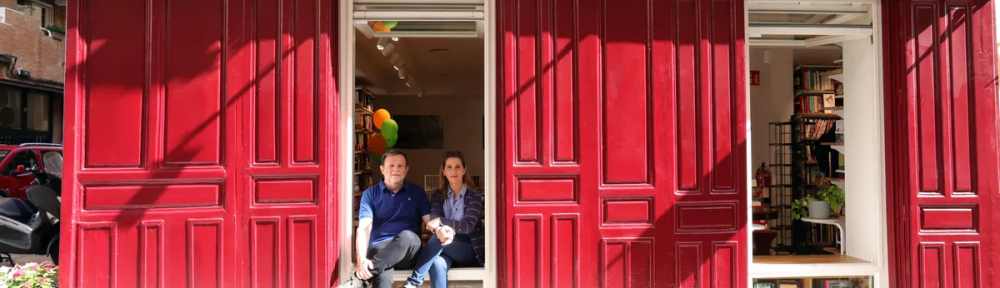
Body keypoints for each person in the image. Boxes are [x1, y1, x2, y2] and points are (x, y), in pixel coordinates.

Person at [338, 149, 452, 288]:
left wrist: (440, 230)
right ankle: (366, 275)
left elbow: (430, 223)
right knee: (382, 276)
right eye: (391, 166)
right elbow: (364, 228)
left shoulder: (417, 192)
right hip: (380, 250)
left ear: (406, 170)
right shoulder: (370, 194)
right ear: (382, 169)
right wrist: (361, 259)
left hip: (409, 251)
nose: (395, 170)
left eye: (400, 166)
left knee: (408, 236)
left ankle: (360, 279)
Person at [403, 151, 485, 288]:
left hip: (469, 249)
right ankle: (413, 282)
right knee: (436, 263)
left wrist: (441, 221)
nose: (454, 171)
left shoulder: (474, 195)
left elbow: (468, 226)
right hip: (445, 245)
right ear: (443, 171)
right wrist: (441, 229)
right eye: (449, 167)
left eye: (458, 167)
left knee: (436, 239)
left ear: (464, 170)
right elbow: (435, 220)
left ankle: (413, 282)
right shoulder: (438, 194)